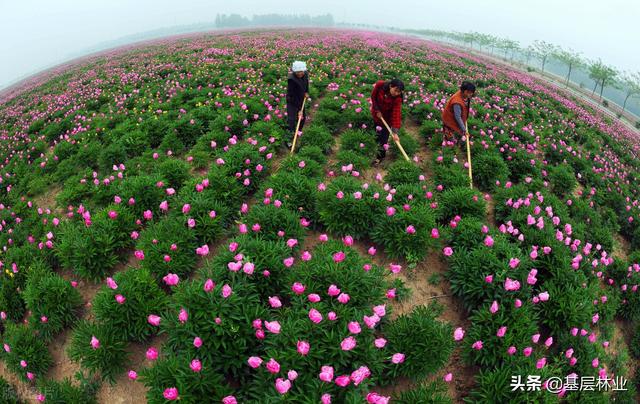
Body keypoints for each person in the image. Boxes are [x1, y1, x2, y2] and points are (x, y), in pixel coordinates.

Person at [370, 78, 404, 163]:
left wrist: (395, 132)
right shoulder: (380, 85)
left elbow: (396, 114)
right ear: (390, 86)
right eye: (395, 90)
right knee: (377, 135)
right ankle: (374, 149)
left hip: (387, 120)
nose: (396, 93)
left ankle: (380, 157)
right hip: (377, 115)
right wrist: (377, 110)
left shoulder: (398, 98)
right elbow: (373, 98)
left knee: (383, 139)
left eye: (399, 92)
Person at [441, 81, 476, 146]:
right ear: (465, 91)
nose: (471, 94)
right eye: (470, 93)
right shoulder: (457, 102)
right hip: (449, 120)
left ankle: (450, 142)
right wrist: (464, 130)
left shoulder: (462, 94)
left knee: (453, 131)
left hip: (452, 117)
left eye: (472, 93)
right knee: (449, 137)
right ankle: (448, 147)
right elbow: (457, 117)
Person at [286, 61, 309, 144]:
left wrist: (306, 92)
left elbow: (306, 84)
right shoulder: (291, 80)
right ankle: (289, 138)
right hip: (292, 100)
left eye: (301, 72)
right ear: (294, 72)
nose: (300, 73)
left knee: (302, 118)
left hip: (301, 98)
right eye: (298, 72)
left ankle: (298, 132)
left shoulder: (305, 74)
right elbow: (293, 96)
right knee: (291, 119)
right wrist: (299, 109)